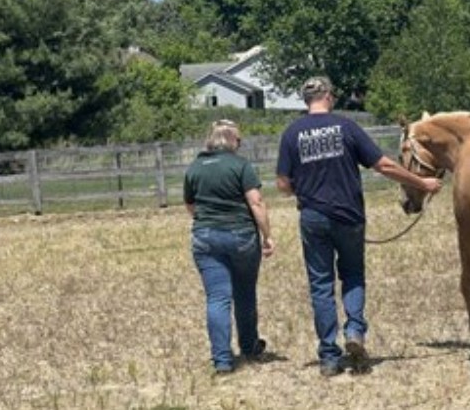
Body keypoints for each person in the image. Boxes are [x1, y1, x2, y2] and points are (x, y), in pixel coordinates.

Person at [276, 76, 442, 377]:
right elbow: (384, 165)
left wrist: (303, 187)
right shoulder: (346, 127)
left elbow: (282, 185)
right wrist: (423, 182)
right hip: (349, 216)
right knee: (352, 275)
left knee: (320, 285)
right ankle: (354, 330)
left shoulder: (291, 134)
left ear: (305, 100)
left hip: (313, 217)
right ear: (329, 96)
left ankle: (328, 355)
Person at [184, 119, 276, 374]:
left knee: (217, 297)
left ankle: (222, 360)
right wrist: (267, 235)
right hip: (241, 236)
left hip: (205, 237)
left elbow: (191, 207)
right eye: (239, 140)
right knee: (244, 293)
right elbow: (256, 202)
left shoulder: (195, 167)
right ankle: (248, 346)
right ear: (232, 141)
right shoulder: (241, 165)